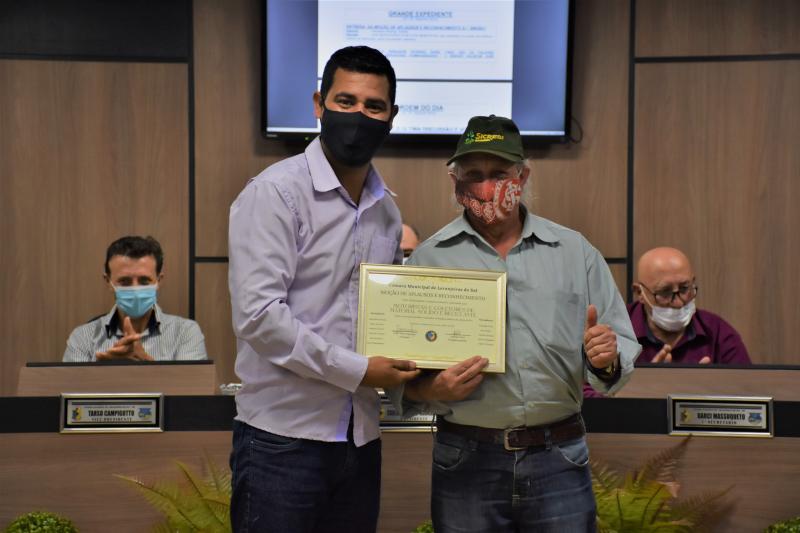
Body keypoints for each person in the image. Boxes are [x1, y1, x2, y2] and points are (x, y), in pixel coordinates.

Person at [392, 115, 641, 532]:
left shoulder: (574, 252)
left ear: (522, 176)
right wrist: (432, 389)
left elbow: (618, 354)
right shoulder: (428, 260)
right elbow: (401, 371)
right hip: (466, 457)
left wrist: (605, 360)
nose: (487, 186)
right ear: (455, 181)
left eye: (499, 174)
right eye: (474, 175)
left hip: (559, 455)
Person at [227, 46, 420, 533]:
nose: (359, 116)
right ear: (319, 104)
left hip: (360, 439)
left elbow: (387, 317)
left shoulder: (387, 211)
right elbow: (258, 317)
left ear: (391, 117)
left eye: (374, 106)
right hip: (281, 441)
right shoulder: (275, 193)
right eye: (345, 101)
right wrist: (359, 370)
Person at [63, 235, 207, 362]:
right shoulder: (83, 337)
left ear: (158, 281)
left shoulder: (185, 332)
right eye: (124, 281)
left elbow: (191, 384)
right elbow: (71, 384)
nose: (136, 289)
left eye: (144, 281)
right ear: (108, 282)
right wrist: (102, 371)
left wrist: (144, 362)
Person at [630, 246, 751, 364]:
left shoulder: (719, 334)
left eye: (684, 288)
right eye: (665, 292)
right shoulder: (620, 333)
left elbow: (744, 377)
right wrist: (648, 377)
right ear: (639, 292)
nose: (678, 303)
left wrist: (708, 378)